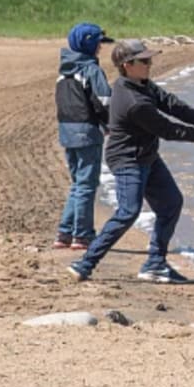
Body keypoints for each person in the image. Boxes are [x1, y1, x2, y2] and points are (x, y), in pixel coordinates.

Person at [68, 39, 194, 283]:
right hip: (127, 160)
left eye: (149, 59)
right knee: (128, 212)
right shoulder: (133, 102)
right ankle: (85, 264)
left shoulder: (143, 84)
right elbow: (170, 130)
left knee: (171, 203)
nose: (150, 64)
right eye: (144, 60)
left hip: (147, 156)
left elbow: (173, 105)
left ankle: (155, 264)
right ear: (127, 65)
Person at [54, 22, 114, 250]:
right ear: (89, 45)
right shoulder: (92, 70)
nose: (101, 47)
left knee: (78, 184)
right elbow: (104, 101)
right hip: (87, 132)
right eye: (99, 43)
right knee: (87, 185)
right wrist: (110, 124)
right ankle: (83, 235)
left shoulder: (64, 72)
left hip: (66, 131)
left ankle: (64, 233)